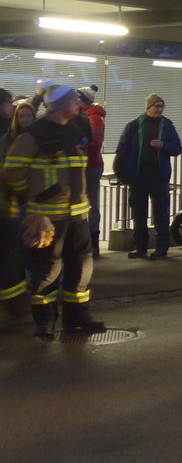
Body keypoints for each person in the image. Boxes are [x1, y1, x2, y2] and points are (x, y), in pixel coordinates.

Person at [3, 83, 106, 337]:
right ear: (62, 104)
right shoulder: (33, 135)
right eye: (74, 100)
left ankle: (77, 317)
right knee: (48, 270)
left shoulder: (72, 130)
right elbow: (12, 172)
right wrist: (32, 194)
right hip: (47, 218)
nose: (78, 104)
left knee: (81, 268)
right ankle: (44, 321)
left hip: (78, 214)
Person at [114, 93, 182, 259]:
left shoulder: (167, 126)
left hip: (159, 176)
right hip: (138, 176)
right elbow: (121, 149)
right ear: (148, 107)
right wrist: (122, 172)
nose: (159, 109)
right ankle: (140, 248)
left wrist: (163, 145)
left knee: (161, 212)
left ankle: (161, 249)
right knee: (139, 213)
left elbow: (177, 149)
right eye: (156, 106)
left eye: (161, 106)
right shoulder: (134, 126)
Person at [0, 87, 28, 319]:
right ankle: (14, 305)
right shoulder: (5, 134)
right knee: (8, 254)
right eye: (9, 103)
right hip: (5, 205)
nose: (12, 107)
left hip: (7, 203)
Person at [76, 86, 106, 259]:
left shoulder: (93, 118)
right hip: (87, 165)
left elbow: (94, 143)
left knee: (91, 204)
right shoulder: (86, 116)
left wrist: (80, 142)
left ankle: (93, 243)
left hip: (91, 166)